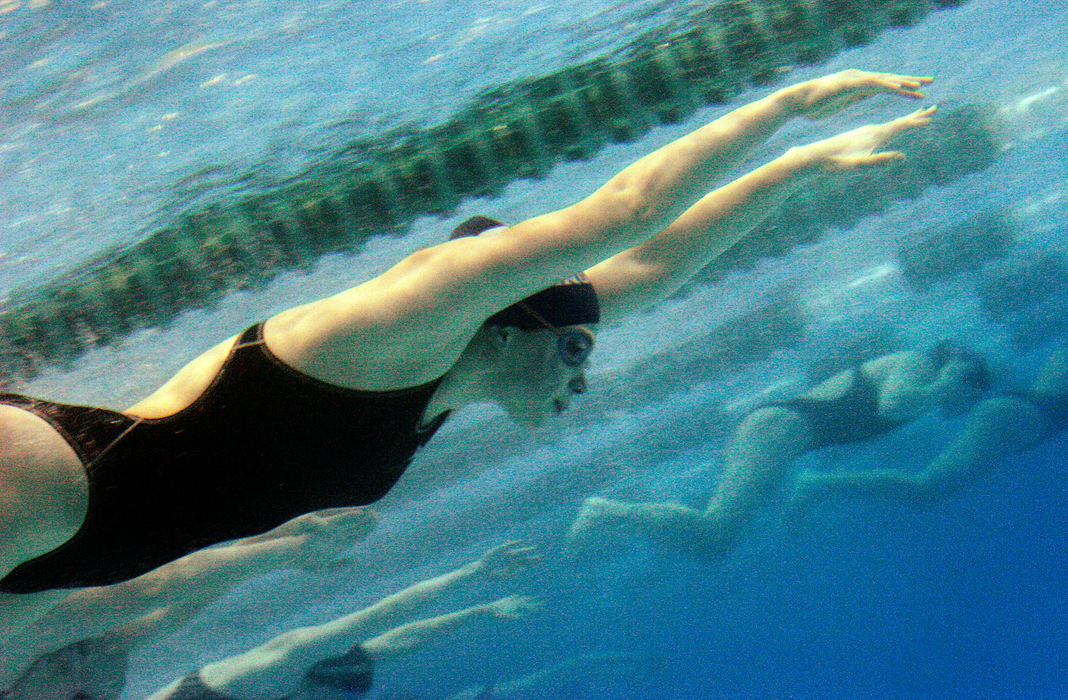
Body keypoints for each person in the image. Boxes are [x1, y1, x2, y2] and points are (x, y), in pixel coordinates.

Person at [0, 70, 935, 607]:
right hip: (57, 484)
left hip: (58, 536)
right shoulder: (398, 328)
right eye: (574, 349)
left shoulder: (448, 379)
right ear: (507, 321)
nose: (584, 372)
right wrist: (788, 104)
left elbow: (656, 266)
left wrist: (801, 169)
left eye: (581, 348)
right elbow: (628, 213)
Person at [566, 343, 990, 558]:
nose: (964, 409)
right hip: (777, 430)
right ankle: (606, 511)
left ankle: (614, 517)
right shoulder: (918, 365)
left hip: (781, 434)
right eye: (969, 396)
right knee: (715, 532)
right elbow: (893, 403)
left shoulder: (924, 383)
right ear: (963, 373)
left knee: (714, 547)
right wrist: (947, 382)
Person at [2, 541, 541, 699]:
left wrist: (478, 602)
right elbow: (377, 623)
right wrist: (470, 574)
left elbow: (395, 638)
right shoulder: (271, 672)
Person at [0, 506, 376, 687]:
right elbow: (172, 611)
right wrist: (268, 547)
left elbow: (153, 589)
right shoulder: (93, 676)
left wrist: (289, 551)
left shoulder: (10, 652)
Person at [787, 346, 1068, 520]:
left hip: (1023, 411)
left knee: (927, 490)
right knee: (927, 489)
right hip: (1024, 413)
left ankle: (821, 484)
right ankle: (819, 484)